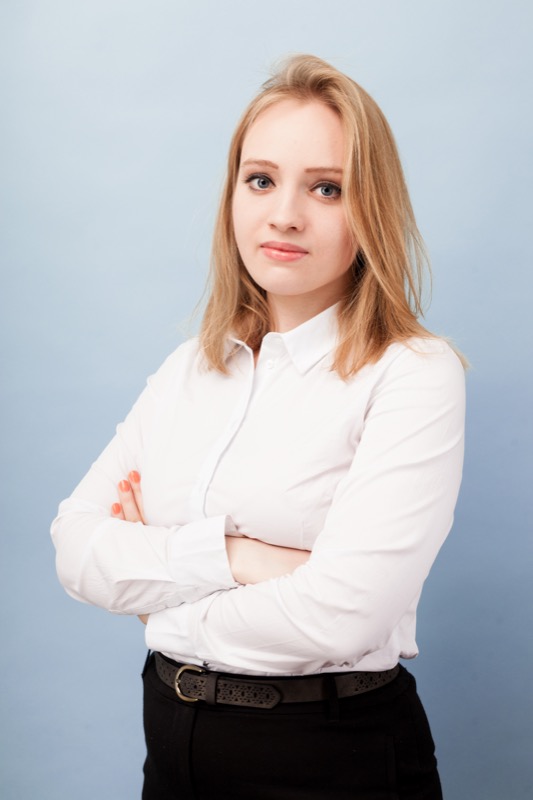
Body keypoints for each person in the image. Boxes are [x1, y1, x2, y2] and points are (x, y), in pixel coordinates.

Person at [51, 54, 465, 799]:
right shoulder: (190, 367)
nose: (284, 215)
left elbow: (340, 615)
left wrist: (156, 600)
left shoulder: (411, 373)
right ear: (233, 195)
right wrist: (242, 556)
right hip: (170, 741)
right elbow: (77, 549)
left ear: (371, 207)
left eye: (327, 188)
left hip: (329, 755)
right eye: (261, 180)